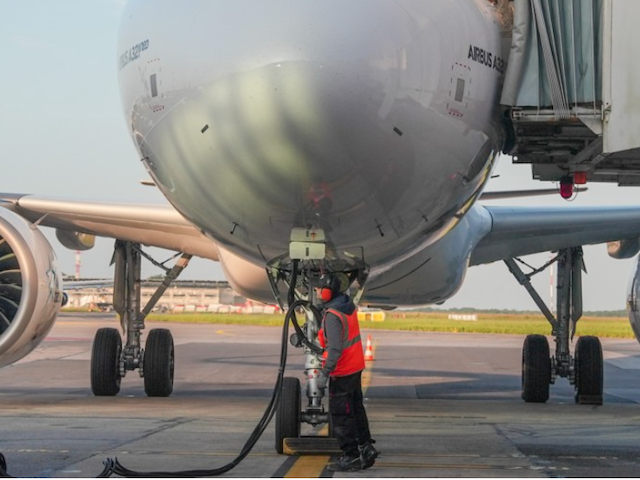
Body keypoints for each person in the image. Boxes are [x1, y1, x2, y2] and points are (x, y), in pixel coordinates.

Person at [315, 273, 379, 472]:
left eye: (318, 289)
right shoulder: (347, 307)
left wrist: (325, 373)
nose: (316, 292)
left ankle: (350, 455)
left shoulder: (333, 316)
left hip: (342, 371)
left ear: (327, 292)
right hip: (355, 366)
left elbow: (334, 348)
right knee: (356, 408)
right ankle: (365, 447)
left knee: (341, 413)